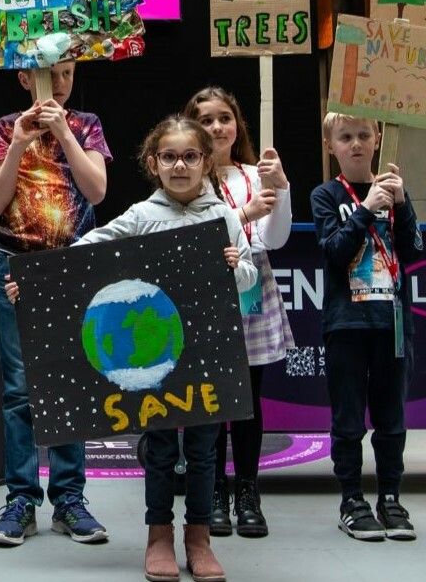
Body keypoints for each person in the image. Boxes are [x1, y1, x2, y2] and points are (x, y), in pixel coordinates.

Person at [7, 114, 256, 582]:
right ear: (153, 162)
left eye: (190, 157)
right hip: (154, 363)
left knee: (205, 451)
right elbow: (84, 252)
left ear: (206, 163)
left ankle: (198, 538)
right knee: (160, 448)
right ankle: (158, 535)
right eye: (169, 157)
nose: (179, 166)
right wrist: (35, 284)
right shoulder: (143, 216)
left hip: (208, 357)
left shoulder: (223, 216)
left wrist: (235, 267)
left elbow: (248, 280)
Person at [0, 60, 111, 547]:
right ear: (23, 79)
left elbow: (97, 189)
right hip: (15, 264)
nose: (57, 83)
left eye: (66, 73)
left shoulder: (87, 125)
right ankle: (20, 499)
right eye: (46, 74)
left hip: (73, 265)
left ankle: (70, 500)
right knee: (19, 390)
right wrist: (19, 141)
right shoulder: (3, 127)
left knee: (71, 382)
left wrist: (64, 132)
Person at [183, 87, 294, 538]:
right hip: (205, 297)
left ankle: (248, 491)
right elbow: (195, 238)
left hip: (253, 294)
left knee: (247, 403)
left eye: (224, 118)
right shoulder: (187, 175)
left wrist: (281, 188)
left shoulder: (255, 172)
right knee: (211, 402)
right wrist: (244, 212)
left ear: (238, 124)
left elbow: (276, 239)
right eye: (205, 120)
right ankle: (213, 492)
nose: (216, 128)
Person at [310, 113, 423, 542]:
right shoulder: (325, 195)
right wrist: (366, 209)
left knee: (392, 417)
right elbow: (335, 253)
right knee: (349, 417)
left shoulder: (394, 191)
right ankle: (352, 499)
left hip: (392, 322)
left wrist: (403, 202)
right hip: (347, 323)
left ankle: (391, 497)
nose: (355, 144)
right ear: (331, 146)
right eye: (345, 137)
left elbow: (413, 251)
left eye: (363, 135)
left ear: (377, 139)